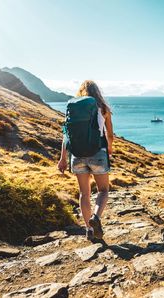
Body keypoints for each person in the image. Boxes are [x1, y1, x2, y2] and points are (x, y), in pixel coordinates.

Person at [58, 80, 113, 241]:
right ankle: (96, 217)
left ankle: (89, 230)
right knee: (103, 190)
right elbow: (110, 134)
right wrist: (109, 148)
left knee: (84, 193)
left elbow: (66, 136)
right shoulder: (103, 109)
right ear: (97, 92)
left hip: (76, 155)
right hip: (98, 153)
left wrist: (62, 159)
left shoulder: (73, 110)